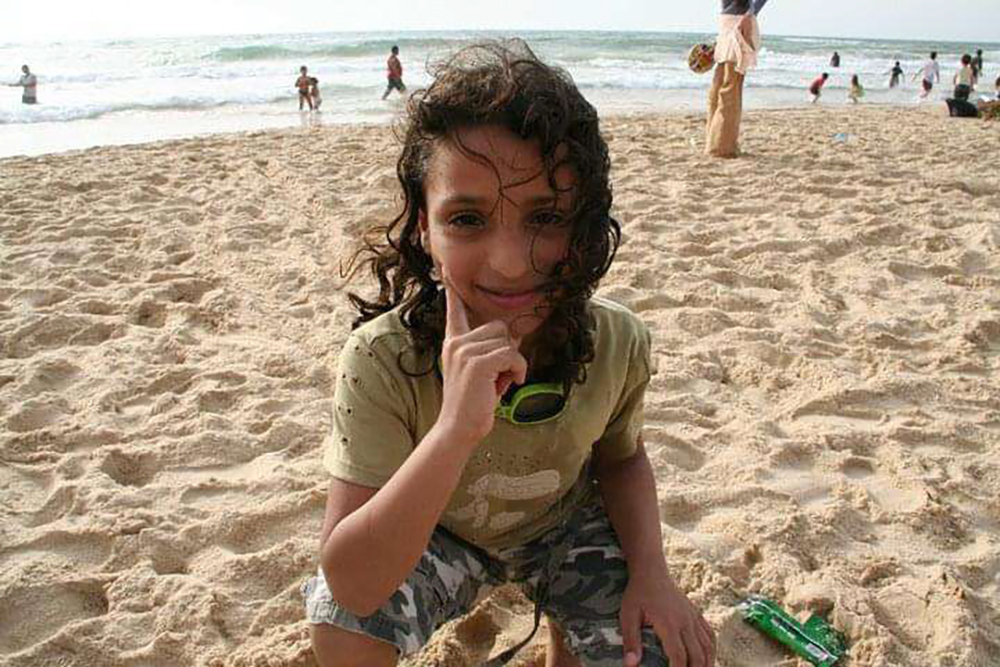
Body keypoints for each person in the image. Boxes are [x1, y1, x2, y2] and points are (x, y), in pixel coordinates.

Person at [302, 40, 716, 667]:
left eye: (546, 216)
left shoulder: (618, 343)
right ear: (424, 227)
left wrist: (653, 574)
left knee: (652, 649)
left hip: (564, 528)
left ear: (586, 223)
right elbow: (354, 584)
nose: (509, 261)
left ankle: (563, 639)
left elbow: (623, 460)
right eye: (467, 219)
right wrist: (453, 431)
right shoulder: (381, 359)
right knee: (344, 631)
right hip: (437, 532)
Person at [705, 0, 770, 158]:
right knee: (729, 88)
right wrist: (749, 14)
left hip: (731, 22)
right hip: (737, 22)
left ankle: (716, 144)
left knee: (721, 86)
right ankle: (722, 147)